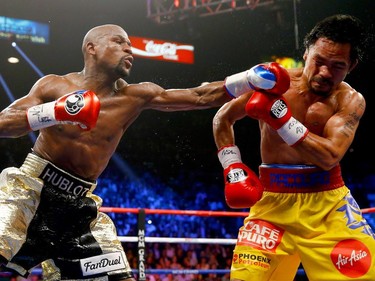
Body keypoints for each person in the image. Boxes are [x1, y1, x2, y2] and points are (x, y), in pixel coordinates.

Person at [0, 24, 280, 280]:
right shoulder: (54, 85)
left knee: (117, 277)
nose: (129, 49)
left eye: (130, 45)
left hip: (79, 209)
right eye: (119, 42)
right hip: (30, 191)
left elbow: (199, 96)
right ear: (91, 48)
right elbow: (4, 123)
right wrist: (55, 111)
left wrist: (248, 79)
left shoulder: (136, 96)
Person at [213, 14, 375, 280]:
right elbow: (223, 117)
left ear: (351, 66)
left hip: (327, 208)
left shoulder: (350, 100)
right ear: (307, 51)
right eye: (319, 61)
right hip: (271, 206)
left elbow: (330, 156)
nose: (324, 72)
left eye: (337, 66)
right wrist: (232, 166)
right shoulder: (273, 82)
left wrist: (281, 119)